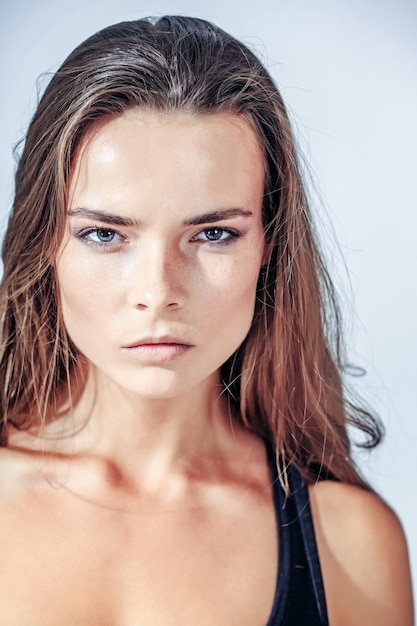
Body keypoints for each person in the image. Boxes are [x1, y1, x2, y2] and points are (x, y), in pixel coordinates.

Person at [0, 15, 413, 626]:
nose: (158, 291)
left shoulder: (348, 547)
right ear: (44, 244)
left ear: (268, 244)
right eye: (105, 234)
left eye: (213, 233)